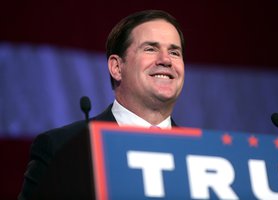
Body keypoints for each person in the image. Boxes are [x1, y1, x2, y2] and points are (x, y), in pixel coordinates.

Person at [18, 9, 185, 200]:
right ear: (116, 67)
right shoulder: (62, 149)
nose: (166, 60)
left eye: (174, 52)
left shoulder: (204, 155)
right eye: (150, 49)